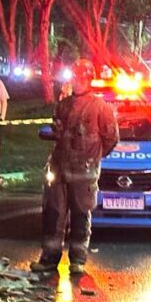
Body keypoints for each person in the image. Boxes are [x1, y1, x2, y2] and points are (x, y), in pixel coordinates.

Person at [31, 59, 118, 275]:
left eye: (79, 77)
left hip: (84, 173)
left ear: (89, 79)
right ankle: (49, 258)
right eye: (74, 77)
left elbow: (111, 138)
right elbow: (56, 131)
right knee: (53, 214)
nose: (75, 81)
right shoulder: (64, 104)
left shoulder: (101, 107)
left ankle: (78, 260)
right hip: (59, 169)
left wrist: (93, 156)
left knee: (81, 215)